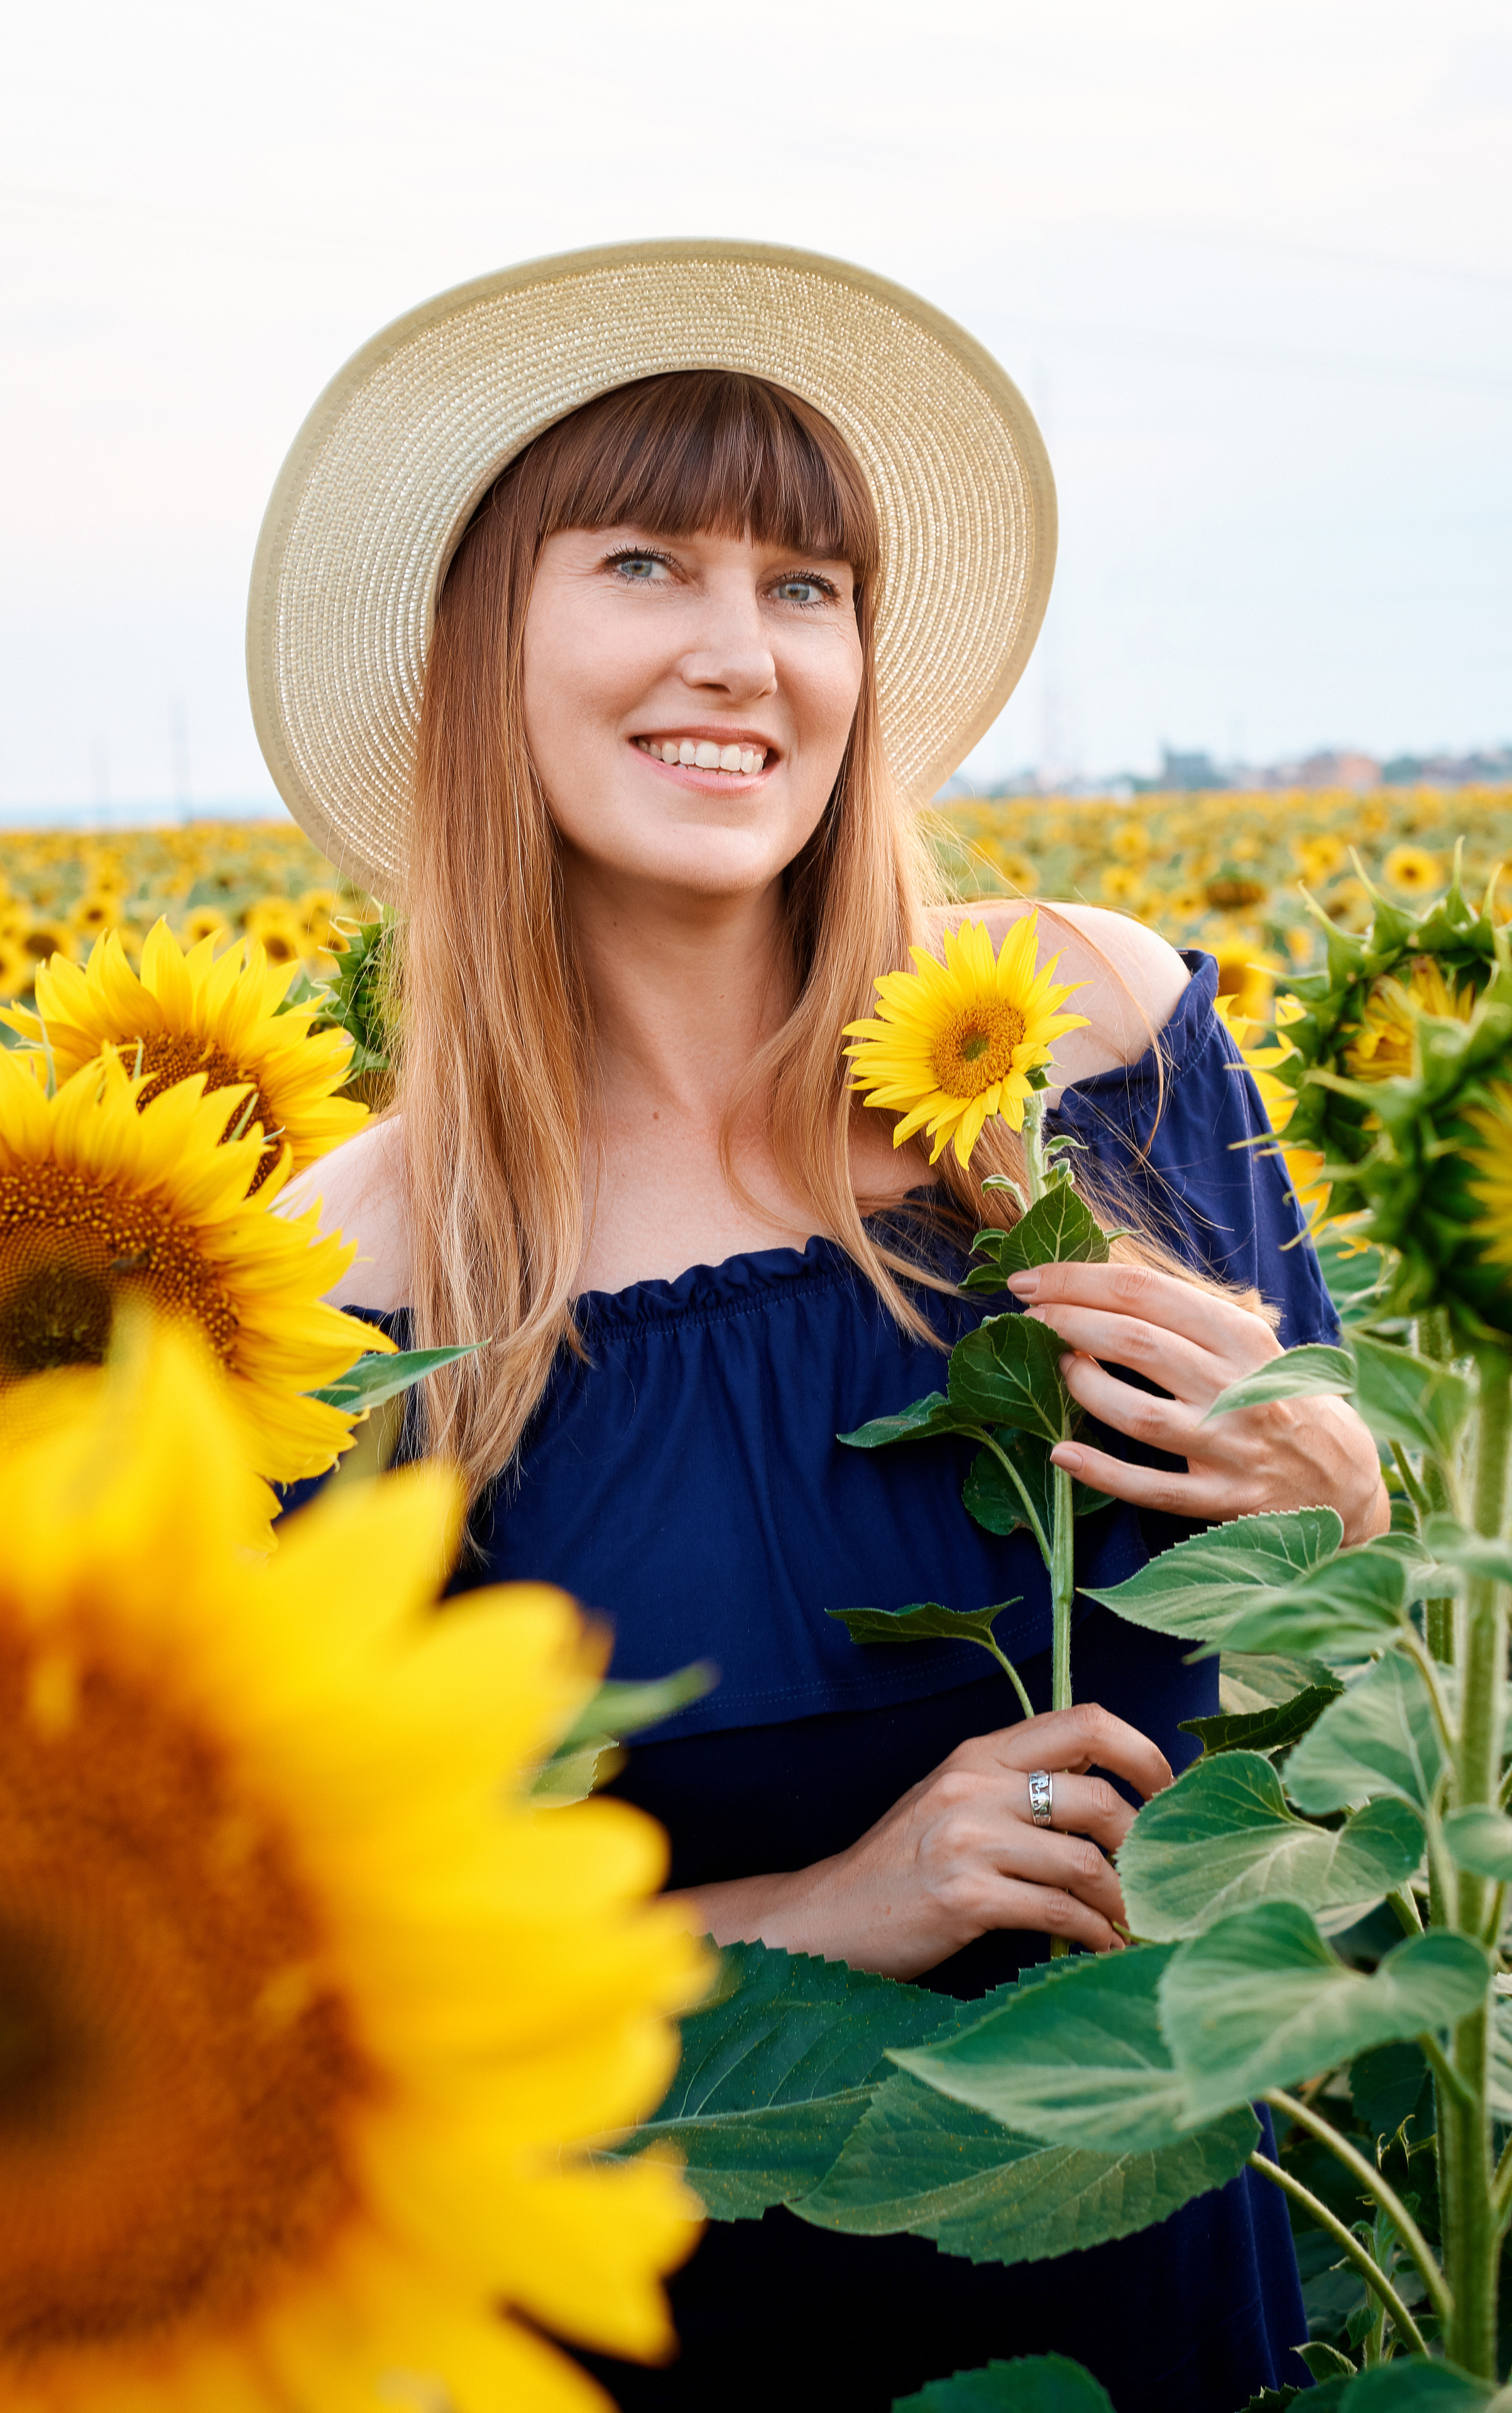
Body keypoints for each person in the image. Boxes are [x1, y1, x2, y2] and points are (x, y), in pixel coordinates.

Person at [253, 243, 1386, 2412]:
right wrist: (824, 1909)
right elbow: (335, 2014)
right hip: (680, 2321)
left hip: (1159, 2273)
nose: (737, 653)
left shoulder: (1084, 1038)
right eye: (646, 562)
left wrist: (1331, 1486)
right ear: (487, 642)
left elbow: (1348, 1714)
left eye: (807, 583)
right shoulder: (353, 1281)